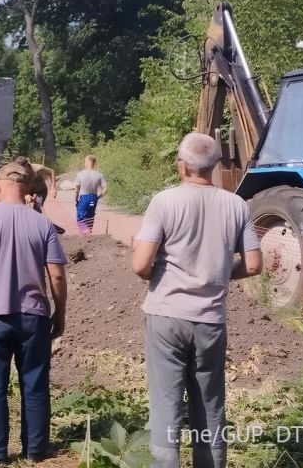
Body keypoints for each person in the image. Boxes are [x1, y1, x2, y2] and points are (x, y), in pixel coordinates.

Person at [132, 133, 263, 468]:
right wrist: (218, 273)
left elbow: (140, 264)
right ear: (216, 165)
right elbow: (253, 264)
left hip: (166, 317)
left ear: (183, 165)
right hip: (210, 320)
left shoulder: (164, 202)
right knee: (210, 407)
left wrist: (156, 276)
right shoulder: (237, 205)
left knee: (166, 407)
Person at [0, 161, 68, 463]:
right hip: (33, 317)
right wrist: (59, 313)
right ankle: (35, 452)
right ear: (29, 188)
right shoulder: (42, 223)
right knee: (35, 382)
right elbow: (56, 275)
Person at [74, 155, 107, 233]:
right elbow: (105, 189)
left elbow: (76, 190)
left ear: (86, 163)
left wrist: (76, 199)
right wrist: (97, 197)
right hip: (94, 198)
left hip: (84, 198)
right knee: (90, 216)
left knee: (80, 217)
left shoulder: (80, 174)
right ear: (94, 163)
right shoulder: (99, 175)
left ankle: (86, 234)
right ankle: (89, 233)